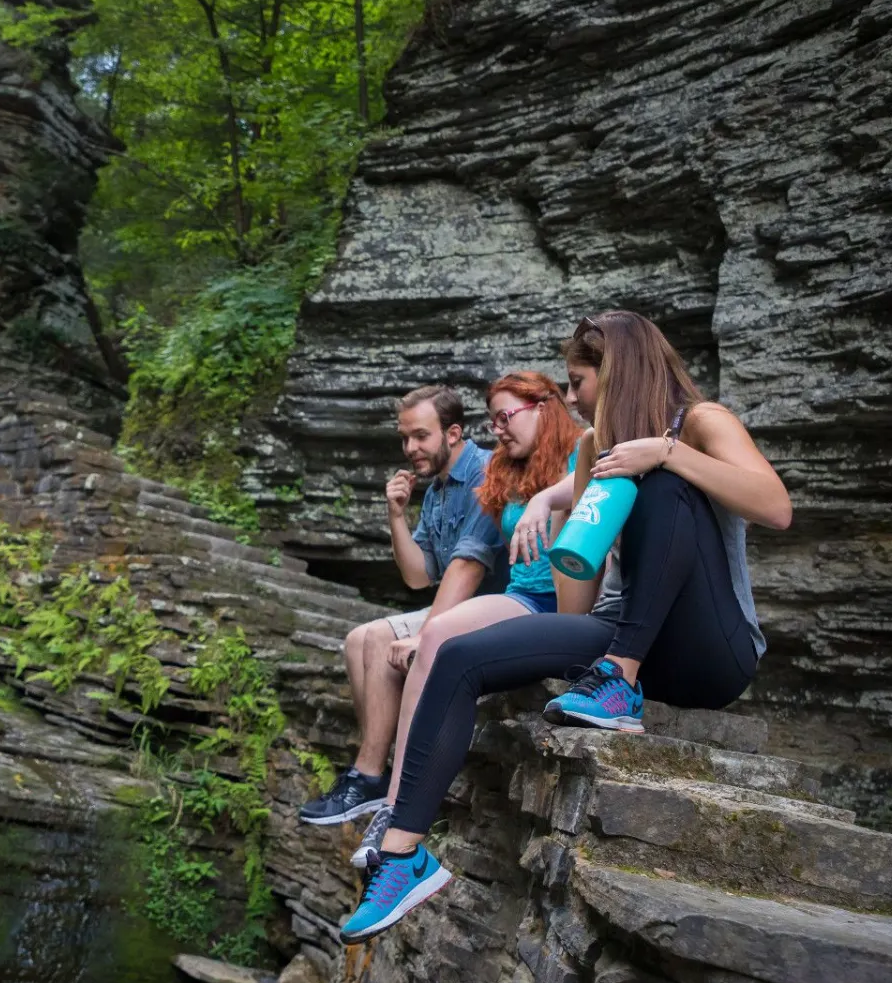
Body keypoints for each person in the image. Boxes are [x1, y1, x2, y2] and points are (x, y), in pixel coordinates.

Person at [339, 311, 793, 944]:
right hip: (619, 630)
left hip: (709, 649)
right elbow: (579, 604)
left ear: (617, 373)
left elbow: (776, 507)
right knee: (454, 656)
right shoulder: (588, 450)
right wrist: (566, 531)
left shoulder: (699, 423)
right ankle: (403, 855)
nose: (571, 397)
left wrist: (666, 453)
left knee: (663, 482)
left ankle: (619, 679)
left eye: (578, 381)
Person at [342, 372, 582, 869]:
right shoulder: (506, 472)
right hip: (524, 597)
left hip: (566, 602)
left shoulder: (583, 451)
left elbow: (475, 565)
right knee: (430, 637)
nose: (498, 429)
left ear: (545, 407)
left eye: (506, 416)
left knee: (437, 635)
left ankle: (395, 806)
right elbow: (423, 574)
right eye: (493, 420)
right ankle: (393, 807)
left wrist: (548, 500)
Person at [298, 385, 505, 829]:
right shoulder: (435, 493)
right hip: (453, 604)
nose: (410, 448)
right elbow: (418, 577)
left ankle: (371, 776)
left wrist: (425, 632)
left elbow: (467, 570)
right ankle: (375, 768)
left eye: (420, 436)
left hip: (492, 609)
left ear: (452, 433)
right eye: (404, 438)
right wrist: (396, 516)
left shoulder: (490, 474)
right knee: (357, 641)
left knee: (376, 637)